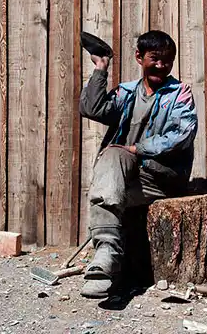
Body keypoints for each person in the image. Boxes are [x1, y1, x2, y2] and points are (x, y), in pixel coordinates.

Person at [78, 30, 198, 298]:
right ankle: (106, 258)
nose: (161, 65)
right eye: (155, 58)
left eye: (167, 60)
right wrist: (101, 69)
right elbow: (92, 109)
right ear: (139, 57)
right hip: (124, 175)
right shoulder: (127, 92)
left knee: (106, 188)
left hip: (160, 178)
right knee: (110, 167)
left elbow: (182, 134)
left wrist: (137, 148)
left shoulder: (180, 94)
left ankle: (107, 258)